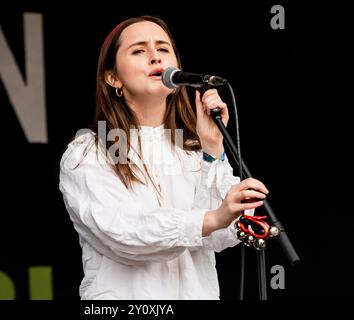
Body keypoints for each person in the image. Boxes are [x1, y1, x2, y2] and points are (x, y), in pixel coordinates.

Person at [59, 16, 269, 300]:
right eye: (138, 50)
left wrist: (212, 149)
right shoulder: (88, 152)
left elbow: (223, 234)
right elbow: (124, 234)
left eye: (162, 48)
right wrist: (212, 218)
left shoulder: (192, 147)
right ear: (113, 78)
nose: (155, 56)